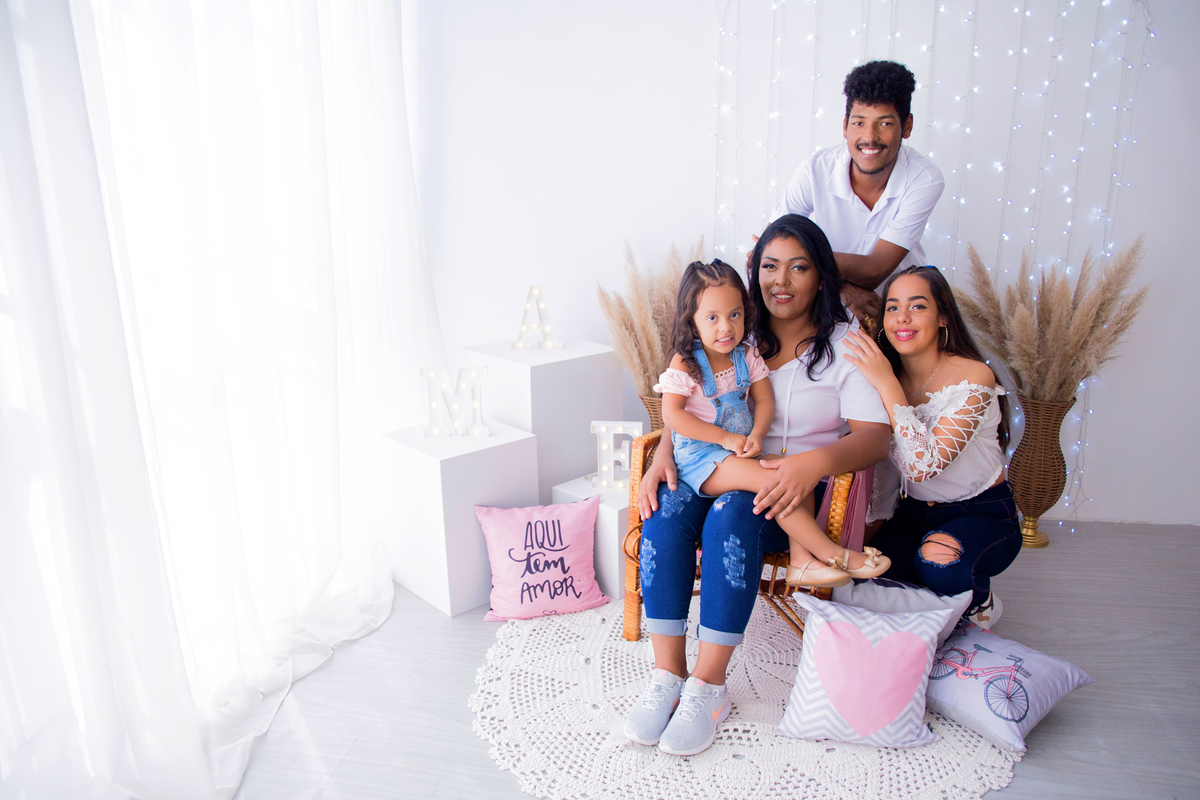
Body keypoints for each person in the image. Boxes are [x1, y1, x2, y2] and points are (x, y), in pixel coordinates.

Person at [623, 215, 891, 756]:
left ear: (821, 276)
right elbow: (694, 406)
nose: (782, 281)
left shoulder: (843, 344)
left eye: (799, 267)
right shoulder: (735, 331)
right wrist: (661, 459)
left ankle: (708, 687)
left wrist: (811, 465)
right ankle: (666, 676)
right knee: (667, 515)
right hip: (714, 466)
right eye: (769, 267)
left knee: (730, 516)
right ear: (754, 273)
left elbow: (876, 438)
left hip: (782, 493)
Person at [657, 259, 890, 588]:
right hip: (701, 458)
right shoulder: (686, 361)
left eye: (734, 315)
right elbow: (673, 415)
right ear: (691, 321)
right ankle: (833, 553)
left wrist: (757, 433)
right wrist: (724, 438)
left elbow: (765, 400)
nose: (726, 327)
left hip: (736, 451)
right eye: (712, 318)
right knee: (773, 480)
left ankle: (801, 561)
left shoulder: (746, 354)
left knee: (790, 469)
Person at [841, 265, 1022, 628]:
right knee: (857, 578)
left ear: (942, 316)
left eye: (918, 306)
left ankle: (980, 601)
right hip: (913, 513)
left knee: (938, 561)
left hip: (981, 512)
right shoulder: (886, 369)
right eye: (892, 307)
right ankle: (934, 600)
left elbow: (922, 466)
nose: (902, 318)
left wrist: (886, 383)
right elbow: (880, 460)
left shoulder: (974, 376)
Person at [764, 60, 945, 322]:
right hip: (825, 308)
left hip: (895, 315)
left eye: (884, 123)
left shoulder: (924, 179)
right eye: (859, 123)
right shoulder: (815, 170)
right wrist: (843, 288)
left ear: (907, 126)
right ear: (845, 124)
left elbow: (874, 270)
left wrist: (797, 260)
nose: (869, 137)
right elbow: (766, 255)